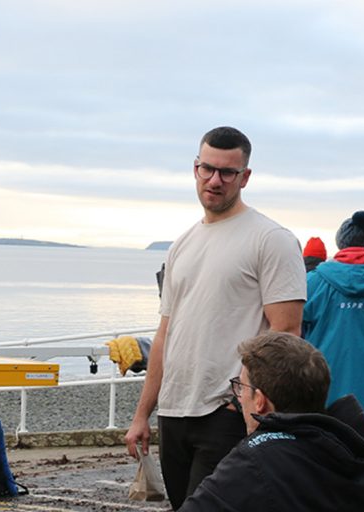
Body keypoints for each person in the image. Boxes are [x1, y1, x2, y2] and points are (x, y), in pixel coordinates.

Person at [124, 126, 307, 510]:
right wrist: (143, 414)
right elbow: (165, 334)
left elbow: (287, 332)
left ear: (245, 177)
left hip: (226, 412)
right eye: (208, 169)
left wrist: (248, 401)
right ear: (195, 169)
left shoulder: (270, 239)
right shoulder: (182, 245)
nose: (215, 180)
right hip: (174, 411)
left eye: (228, 172)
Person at [179, 332, 364, 511]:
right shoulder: (354, 448)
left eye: (241, 387)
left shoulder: (254, 461)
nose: (239, 396)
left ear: (260, 401)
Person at [301, 211, 364, 430]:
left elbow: (297, 324)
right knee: (362, 435)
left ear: (341, 242)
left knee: (322, 434)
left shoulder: (316, 280)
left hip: (322, 374)